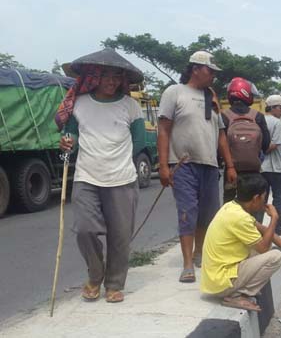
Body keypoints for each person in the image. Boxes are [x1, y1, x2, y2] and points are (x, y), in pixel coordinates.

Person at [56, 48, 145, 303]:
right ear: (95, 76)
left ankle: (114, 284)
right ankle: (95, 276)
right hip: (86, 177)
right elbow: (70, 139)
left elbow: (138, 141)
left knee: (120, 236)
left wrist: (119, 161)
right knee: (85, 230)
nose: (112, 81)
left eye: (117, 76)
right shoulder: (80, 105)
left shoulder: (131, 106)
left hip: (122, 179)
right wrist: (66, 144)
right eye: (106, 75)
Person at [157, 51, 236, 283]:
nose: (212, 75)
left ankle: (200, 253)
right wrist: (163, 166)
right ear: (195, 69)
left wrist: (230, 165)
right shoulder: (175, 92)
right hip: (183, 165)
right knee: (187, 213)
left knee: (207, 214)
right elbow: (163, 129)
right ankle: (187, 264)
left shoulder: (211, 97)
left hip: (209, 165)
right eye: (209, 71)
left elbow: (220, 133)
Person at [200, 174, 281, 312]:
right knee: (275, 256)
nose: (265, 202)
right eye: (264, 198)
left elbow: (264, 230)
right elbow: (264, 248)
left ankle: (239, 289)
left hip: (214, 278)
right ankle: (238, 294)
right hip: (221, 282)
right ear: (255, 198)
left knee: (262, 247)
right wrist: (274, 219)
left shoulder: (232, 207)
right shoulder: (240, 218)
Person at [221, 77, 271, 210]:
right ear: (247, 94)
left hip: (231, 172)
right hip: (254, 171)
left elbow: (219, 146)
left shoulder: (223, 116)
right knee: (254, 206)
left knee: (229, 207)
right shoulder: (258, 116)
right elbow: (266, 144)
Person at [261, 95, 281, 235]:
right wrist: (264, 151)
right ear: (273, 108)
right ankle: (277, 229)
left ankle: (257, 228)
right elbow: (274, 145)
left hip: (261, 168)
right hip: (275, 168)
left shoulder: (259, 120)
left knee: (261, 200)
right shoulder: (278, 123)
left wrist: (258, 154)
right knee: (278, 199)